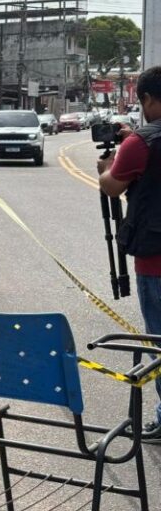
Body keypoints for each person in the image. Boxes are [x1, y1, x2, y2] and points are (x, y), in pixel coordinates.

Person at [98, 65, 161, 442]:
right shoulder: (138, 141)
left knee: (159, 343)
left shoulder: (142, 144)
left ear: (149, 100)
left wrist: (107, 166)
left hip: (155, 263)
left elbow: (112, 186)